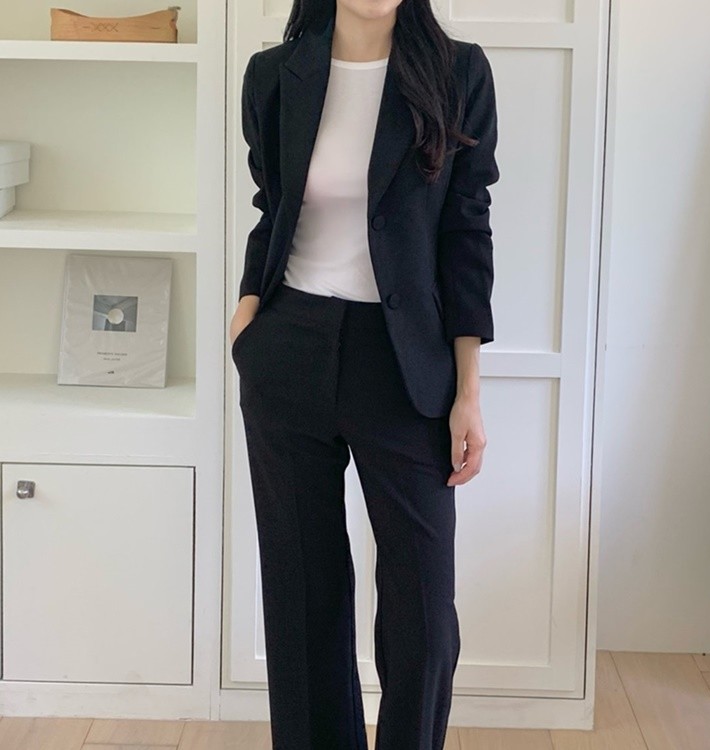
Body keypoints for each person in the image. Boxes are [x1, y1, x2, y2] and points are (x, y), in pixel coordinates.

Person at [229, 0, 500, 747]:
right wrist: (248, 311)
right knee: (302, 594)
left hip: (404, 363)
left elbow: (466, 229)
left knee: (422, 608)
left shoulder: (457, 72)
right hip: (288, 351)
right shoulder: (273, 75)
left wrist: (468, 390)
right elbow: (272, 205)